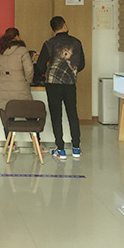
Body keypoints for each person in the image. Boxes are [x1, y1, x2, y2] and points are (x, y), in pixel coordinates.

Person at [36, 16, 85, 160]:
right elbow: (81, 64)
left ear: (53, 29)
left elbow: (40, 65)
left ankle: (61, 149)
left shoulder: (49, 43)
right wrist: (71, 71)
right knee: (72, 114)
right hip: (70, 83)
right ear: (65, 25)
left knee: (56, 116)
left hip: (53, 84)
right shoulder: (76, 42)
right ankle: (76, 148)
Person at [0, 28, 34, 141]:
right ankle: (37, 144)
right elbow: (29, 69)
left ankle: (9, 145)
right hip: (22, 90)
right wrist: (27, 81)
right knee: (31, 116)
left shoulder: (0, 51)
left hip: (5, 91)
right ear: (17, 36)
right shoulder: (22, 50)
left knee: (7, 118)